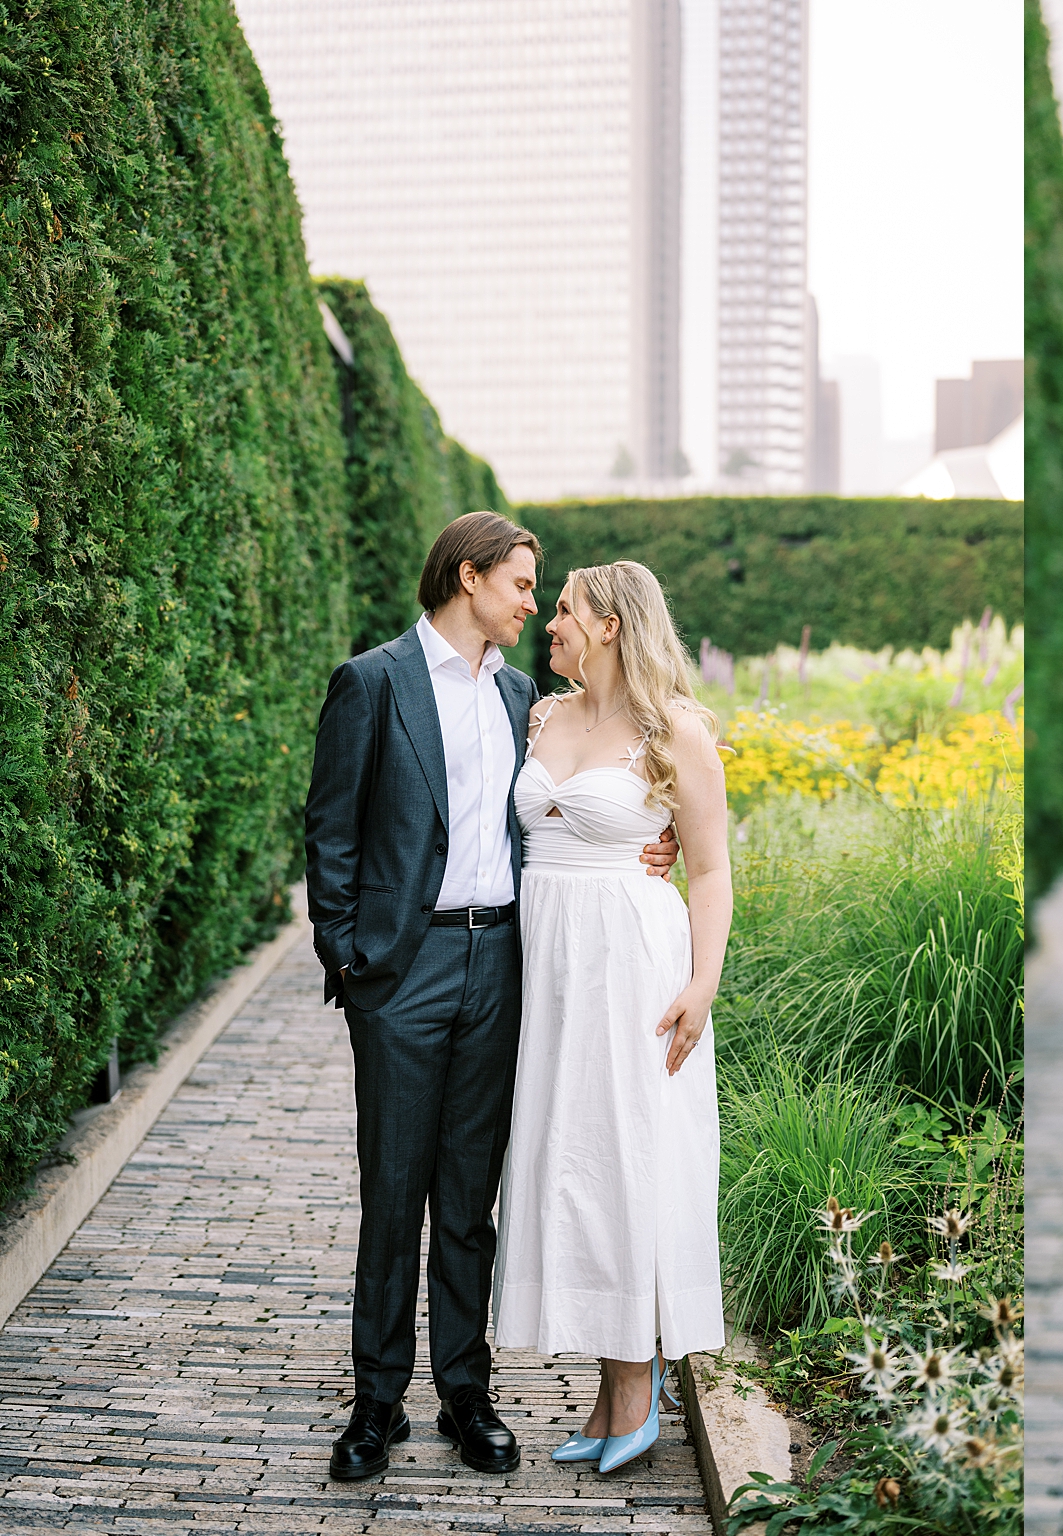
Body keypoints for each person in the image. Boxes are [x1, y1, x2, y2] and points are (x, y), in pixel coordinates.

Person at [305, 513, 677, 1482]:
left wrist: (652, 842)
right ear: (467, 579)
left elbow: (581, 797)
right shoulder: (373, 683)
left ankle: (465, 1397)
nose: (530, 605)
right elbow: (331, 830)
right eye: (519, 585)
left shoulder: (525, 699)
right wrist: (349, 958)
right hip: (403, 970)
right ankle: (375, 1404)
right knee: (394, 1193)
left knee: (470, 1199)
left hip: (503, 966)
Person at [493, 559, 731, 1475]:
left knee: (629, 1162)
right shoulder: (539, 717)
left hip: (633, 967)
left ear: (611, 625)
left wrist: (702, 983)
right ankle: (608, 1390)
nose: (547, 623)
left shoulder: (674, 730)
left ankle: (635, 1391)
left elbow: (707, 870)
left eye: (562, 610)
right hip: (546, 967)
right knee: (572, 1166)